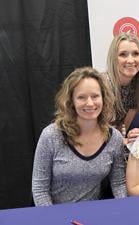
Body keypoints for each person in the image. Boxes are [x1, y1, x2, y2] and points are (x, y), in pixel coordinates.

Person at [32, 67, 127, 206]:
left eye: (95, 96)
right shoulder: (51, 135)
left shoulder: (114, 138)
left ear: (103, 98)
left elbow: (119, 184)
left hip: (92, 214)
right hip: (54, 215)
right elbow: (40, 189)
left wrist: (124, 211)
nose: (90, 103)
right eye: (82, 97)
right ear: (71, 102)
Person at [105, 32, 139, 144]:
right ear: (114, 59)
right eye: (123, 54)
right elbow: (91, 133)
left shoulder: (135, 88)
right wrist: (124, 141)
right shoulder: (101, 87)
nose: (130, 60)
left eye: (135, 54)